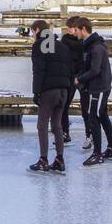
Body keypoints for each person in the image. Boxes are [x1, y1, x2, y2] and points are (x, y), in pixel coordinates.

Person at [28, 20, 73, 173]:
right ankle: (60, 159)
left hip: (49, 91)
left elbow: (38, 71)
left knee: (42, 125)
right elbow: (69, 69)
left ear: (38, 30)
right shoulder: (62, 46)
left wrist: (36, 92)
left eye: (32, 32)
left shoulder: (39, 45)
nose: (32, 36)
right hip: (63, 90)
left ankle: (43, 159)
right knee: (57, 125)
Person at [71, 17, 112, 165]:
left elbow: (95, 70)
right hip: (97, 86)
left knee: (94, 118)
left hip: (99, 88)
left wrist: (80, 79)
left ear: (84, 29)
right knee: (102, 116)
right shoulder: (90, 45)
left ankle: (97, 153)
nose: (75, 33)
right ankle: (111, 148)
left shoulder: (96, 47)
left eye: (77, 30)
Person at [60, 17, 86, 147]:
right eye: (68, 28)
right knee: (64, 106)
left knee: (86, 107)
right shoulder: (65, 40)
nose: (69, 30)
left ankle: (89, 134)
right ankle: (65, 132)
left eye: (71, 28)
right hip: (69, 76)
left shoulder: (83, 41)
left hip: (82, 76)